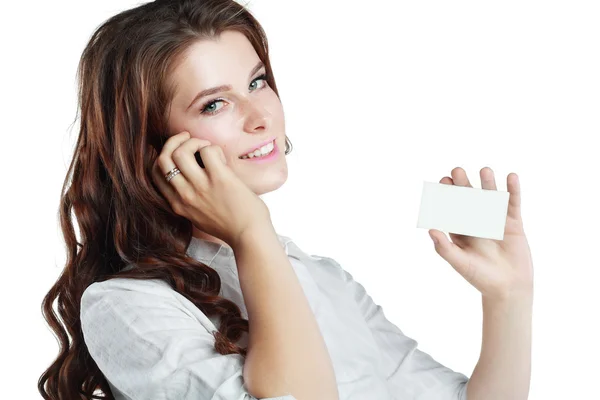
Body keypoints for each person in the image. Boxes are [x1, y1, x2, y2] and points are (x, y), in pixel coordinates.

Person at [38, 1, 474, 399]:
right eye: (214, 104)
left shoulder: (320, 277)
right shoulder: (125, 305)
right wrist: (251, 230)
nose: (261, 117)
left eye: (257, 81)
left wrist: (507, 293)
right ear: (153, 148)